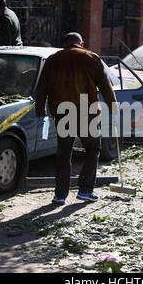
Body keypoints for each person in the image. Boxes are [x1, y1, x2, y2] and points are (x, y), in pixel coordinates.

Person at [35, 33, 117, 206]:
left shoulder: (52, 60)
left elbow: (42, 87)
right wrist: (113, 107)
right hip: (88, 112)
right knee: (92, 148)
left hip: (62, 113)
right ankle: (85, 191)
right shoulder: (91, 57)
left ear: (64, 45)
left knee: (64, 152)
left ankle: (60, 195)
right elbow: (105, 86)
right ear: (81, 43)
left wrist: (40, 110)